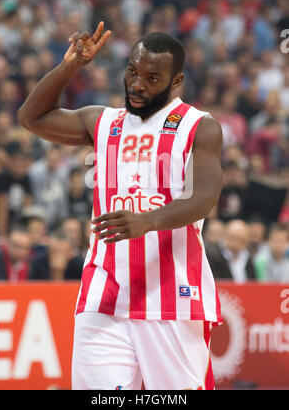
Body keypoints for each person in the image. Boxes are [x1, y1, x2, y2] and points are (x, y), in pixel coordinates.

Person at [18, 22, 223, 390]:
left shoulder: (199, 126)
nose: (137, 85)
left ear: (175, 82)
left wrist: (148, 220)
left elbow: (205, 198)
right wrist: (69, 67)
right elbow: (30, 118)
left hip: (171, 297)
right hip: (103, 294)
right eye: (132, 72)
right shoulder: (104, 121)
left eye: (151, 78)